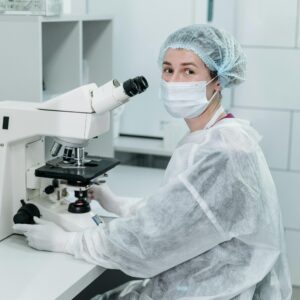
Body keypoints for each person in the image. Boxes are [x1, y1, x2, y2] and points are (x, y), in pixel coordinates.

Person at [14, 24, 292, 300]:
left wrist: (68, 242)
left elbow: (152, 240)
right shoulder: (215, 135)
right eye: (168, 70)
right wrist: (117, 203)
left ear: (218, 81)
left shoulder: (223, 151)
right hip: (204, 284)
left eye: (189, 71)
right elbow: (184, 214)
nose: (174, 81)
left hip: (212, 291)